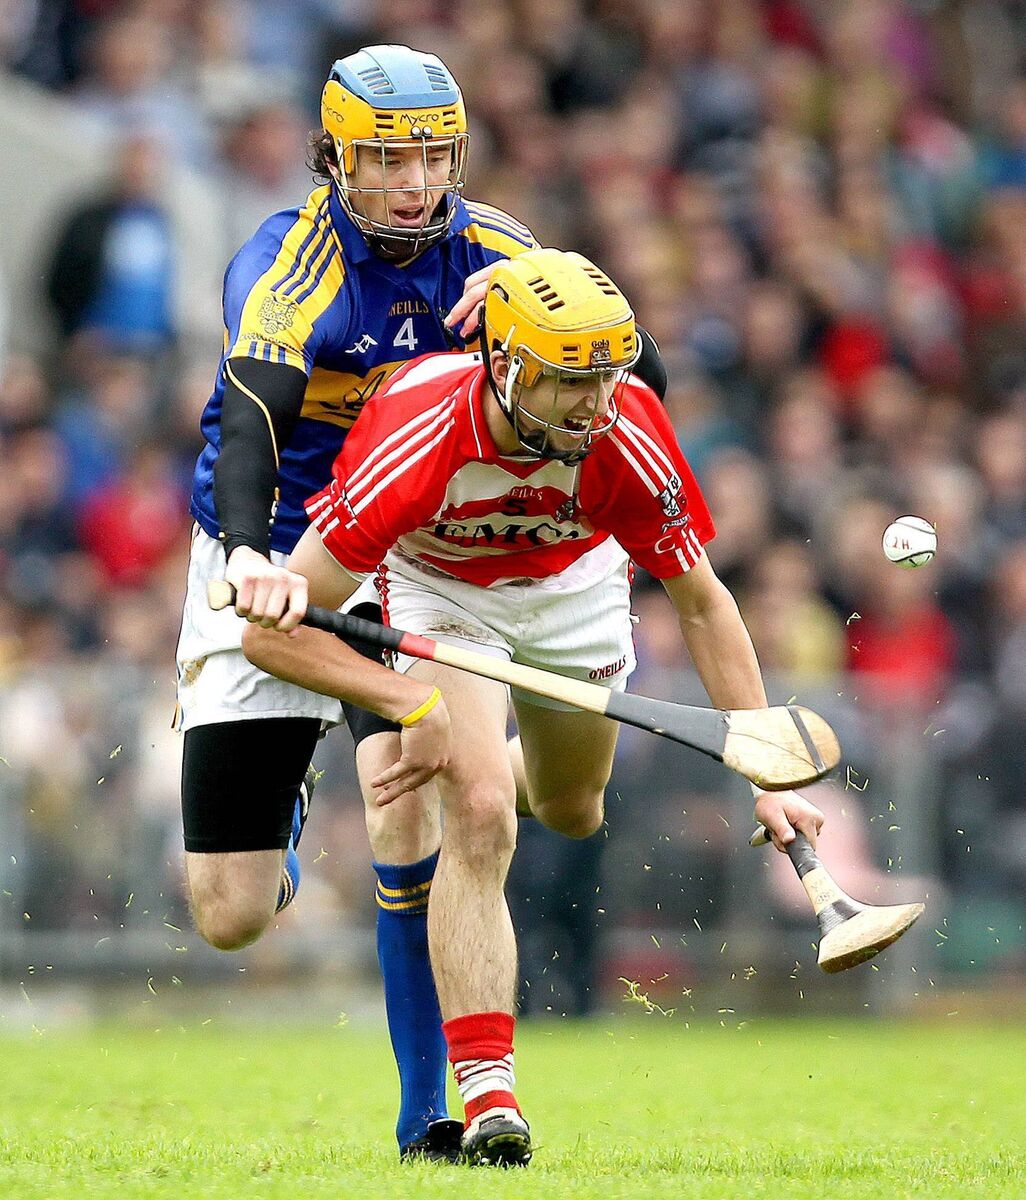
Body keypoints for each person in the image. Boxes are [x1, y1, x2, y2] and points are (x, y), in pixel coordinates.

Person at [238, 247, 826, 1165]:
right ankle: (490, 1093)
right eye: (569, 385)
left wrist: (766, 772)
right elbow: (270, 632)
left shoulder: (627, 430)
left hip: (575, 591)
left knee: (569, 806)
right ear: (505, 368)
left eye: (605, 379)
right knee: (477, 810)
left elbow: (705, 603)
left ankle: (482, 764)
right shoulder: (418, 435)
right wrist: (408, 703)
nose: (596, 404)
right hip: (441, 596)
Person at [175, 45, 543, 1162]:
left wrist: (543, 305)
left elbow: (630, 370)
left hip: (409, 553)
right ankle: (278, 820)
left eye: (432, 153)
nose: (414, 181)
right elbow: (252, 417)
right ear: (335, 156)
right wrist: (247, 552)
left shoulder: (499, 250)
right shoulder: (288, 266)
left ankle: (432, 1112)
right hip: (279, 551)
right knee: (231, 917)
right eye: (387, 158)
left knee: (413, 794)